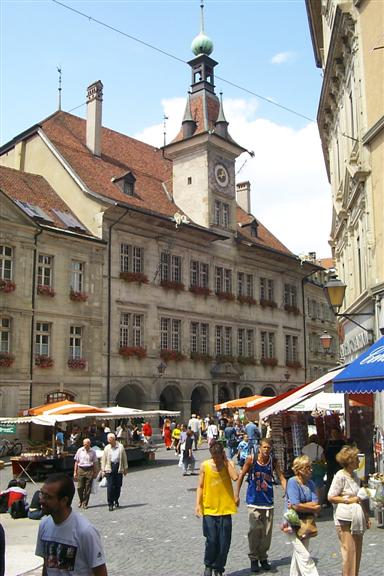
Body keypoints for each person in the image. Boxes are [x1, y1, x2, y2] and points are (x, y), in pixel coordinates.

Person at [35, 473, 107, 575]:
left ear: (64, 500)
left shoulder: (85, 531)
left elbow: (100, 571)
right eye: (41, 494)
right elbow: (46, 566)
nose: (41, 500)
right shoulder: (44, 525)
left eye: (48, 497)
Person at [235, 438, 287, 573]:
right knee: (254, 529)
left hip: (268, 502)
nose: (266, 450)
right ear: (259, 448)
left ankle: (263, 557)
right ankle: (253, 558)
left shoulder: (273, 462)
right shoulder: (251, 460)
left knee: (267, 533)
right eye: (264, 447)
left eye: (268, 448)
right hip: (253, 501)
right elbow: (241, 477)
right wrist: (236, 495)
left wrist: (288, 492)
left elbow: (281, 477)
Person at [195, 441, 239, 576]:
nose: (215, 459)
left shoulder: (228, 464)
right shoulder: (205, 466)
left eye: (218, 457)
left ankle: (219, 567)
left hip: (225, 509)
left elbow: (235, 477)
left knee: (224, 542)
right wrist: (197, 504)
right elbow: (200, 486)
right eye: (213, 457)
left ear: (222, 454)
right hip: (209, 508)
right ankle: (208, 565)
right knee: (212, 539)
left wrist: (225, 461)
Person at [328, 446, 370, 576]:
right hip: (344, 518)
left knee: (357, 551)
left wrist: (366, 516)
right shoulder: (340, 476)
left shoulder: (356, 476)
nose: (358, 462)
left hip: (357, 518)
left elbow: (359, 498)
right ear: (350, 461)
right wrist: (348, 500)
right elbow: (331, 497)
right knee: (349, 551)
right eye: (356, 459)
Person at [285, 455, 320, 576]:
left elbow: (316, 503)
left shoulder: (311, 483)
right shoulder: (292, 482)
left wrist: (301, 505)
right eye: (308, 467)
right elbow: (295, 505)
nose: (311, 470)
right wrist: (309, 506)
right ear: (299, 470)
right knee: (305, 556)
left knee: (299, 555)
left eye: (311, 467)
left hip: (306, 523)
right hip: (292, 524)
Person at [101, 433, 128, 511]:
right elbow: (103, 460)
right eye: (108, 439)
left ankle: (116, 499)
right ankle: (110, 503)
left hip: (118, 467)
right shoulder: (107, 448)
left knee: (118, 486)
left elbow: (124, 458)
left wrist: (125, 468)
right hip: (109, 468)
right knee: (110, 486)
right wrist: (103, 469)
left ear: (113, 439)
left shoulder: (120, 447)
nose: (108, 441)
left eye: (109, 439)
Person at [73, 438, 99, 509]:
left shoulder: (93, 452)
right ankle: (81, 500)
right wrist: (75, 472)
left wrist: (95, 472)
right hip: (81, 469)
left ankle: (85, 503)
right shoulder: (80, 450)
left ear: (89, 444)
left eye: (87, 444)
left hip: (89, 470)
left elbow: (95, 462)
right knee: (79, 487)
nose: (85, 446)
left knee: (88, 488)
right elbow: (76, 461)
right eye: (84, 444)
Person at [302, 435, 326, 505]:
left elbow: (302, 459)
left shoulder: (305, 448)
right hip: (318, 469)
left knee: (308, 486)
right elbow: (323, 460)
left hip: (307, 468)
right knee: (318, 488)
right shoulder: (319, 447)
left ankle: (310, 504)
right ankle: (317, 505)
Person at [324, 428, 344, 499]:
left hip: (339, 464)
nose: (334, 434)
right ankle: (327, 499)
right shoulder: (328, 442)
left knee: (341, 479)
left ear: (338, 433)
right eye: (332, 432)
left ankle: (340, 495)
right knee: (329, 480)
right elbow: (325, 453)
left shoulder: (342, 442)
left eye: (335, 433)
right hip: (330, 463)